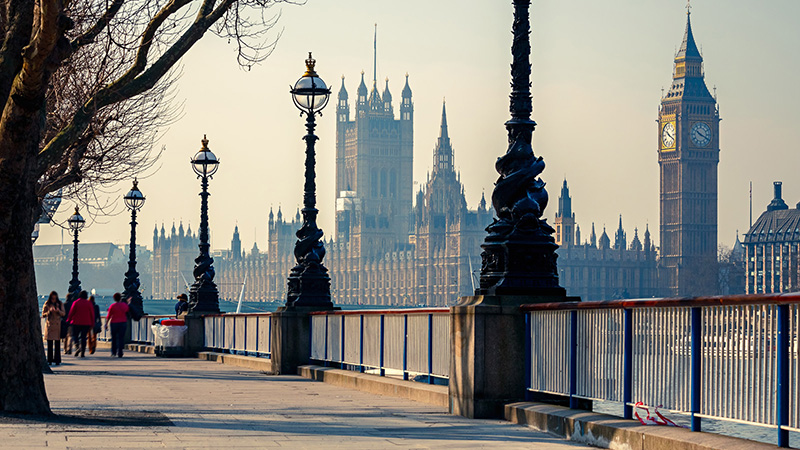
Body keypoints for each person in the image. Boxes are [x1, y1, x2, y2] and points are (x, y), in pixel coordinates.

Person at [66, 290, 95, 357]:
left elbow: (71, 312)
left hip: (76, 322)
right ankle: (83, 352)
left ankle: (77, 347)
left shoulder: (76, 302)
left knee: (75, 336)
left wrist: (68, 320)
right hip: (86, 323)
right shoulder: (89, 303)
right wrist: (92, 323)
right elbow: (92, 314)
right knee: (83, 337)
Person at [42, 291, 65, 365]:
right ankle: (50, 360)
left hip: (57, 325)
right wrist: (49, 312)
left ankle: (57, 359)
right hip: (50, 325)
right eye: (52, 298)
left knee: (57, 344)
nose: (53, 300)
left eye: (55, 298)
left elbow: (63, 313)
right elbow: (43, 314)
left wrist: (58, 311)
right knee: (50, 344)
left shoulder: (60, 303)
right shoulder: (47, 304)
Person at [105, 292, 130, 358]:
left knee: (114, 338)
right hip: (123, 323)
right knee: (121, 338)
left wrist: (106, 324)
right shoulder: (124, 305)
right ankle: (120, 352)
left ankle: (113, 352)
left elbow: (109, 315)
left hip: (114, 323)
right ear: (120, 298)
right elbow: (127, 310)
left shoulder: (112, 306)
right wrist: (128, 303)